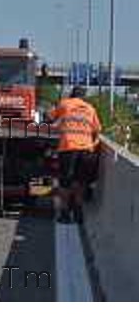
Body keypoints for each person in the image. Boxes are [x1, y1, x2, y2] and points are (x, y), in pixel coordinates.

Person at [50, 85, 101, 223]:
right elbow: (97, 130)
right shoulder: (90, 109)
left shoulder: (65, 103)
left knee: (65, 183)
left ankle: (65, 214)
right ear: (84, 97)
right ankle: (78, 213)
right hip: (86, 150)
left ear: (72, 95)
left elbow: (51, 117)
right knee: (80, 182)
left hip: (68, 147)